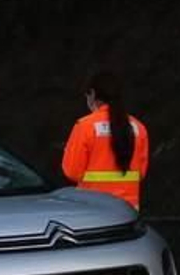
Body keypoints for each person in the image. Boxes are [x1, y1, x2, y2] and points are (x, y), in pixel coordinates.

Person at [62, 71, 150, 209]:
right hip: (129, 210)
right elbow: (141, 173)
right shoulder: (138, 128)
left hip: (93, 209)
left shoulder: (85, 126)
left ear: (92, 94)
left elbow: (72, 171)